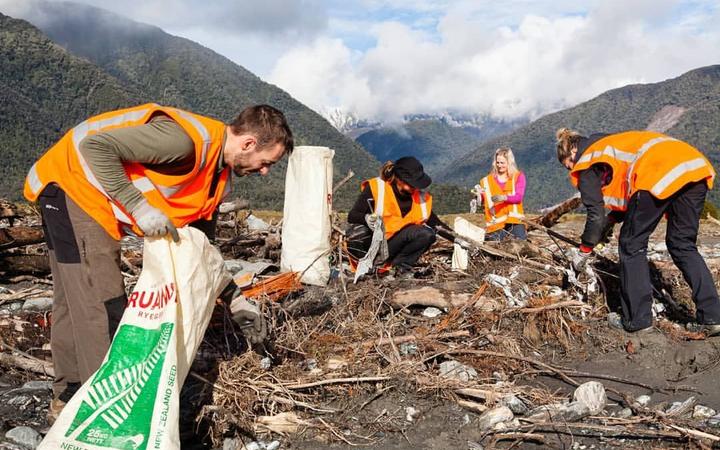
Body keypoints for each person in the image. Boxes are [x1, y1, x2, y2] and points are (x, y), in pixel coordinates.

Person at [23, 103, 294, 423]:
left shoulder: (217, 177)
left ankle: (68, 399)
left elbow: (203, 251)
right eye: (267, 163)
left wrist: (236, 301)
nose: (265, 171)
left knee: (73, 302)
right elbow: (94, 146)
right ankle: (105, 417)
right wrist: (138, 207)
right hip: (72, 186)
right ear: (248, 143)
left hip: (78, 196)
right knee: (104, 306)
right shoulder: (183, 143)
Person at [555, 127, 720, 335]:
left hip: (657, 170)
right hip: (693, 166)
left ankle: (637, 319)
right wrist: (611, 222)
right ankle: (712, 316)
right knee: (682, 244)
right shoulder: (609, 144)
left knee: (631, 244)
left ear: (571, 153)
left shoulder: (586, 161)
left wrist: (584, 251)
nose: (571, 171)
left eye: (567, 166)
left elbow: (595, 215)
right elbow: (627, 203)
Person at [346, 156, 465, 278]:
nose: (415, 187)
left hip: (392, 247)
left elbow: (436, 225)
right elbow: (352, 216)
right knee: (359, 232)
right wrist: (367, 219)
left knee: (426, 234)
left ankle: (399, 268)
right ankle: (368, 268)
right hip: (373, 247)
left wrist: (458, 239)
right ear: (399, 179)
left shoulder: (420, 198)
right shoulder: (377, 188)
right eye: (412, 183)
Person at [477, 147, 527, 241]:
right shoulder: (486, 181)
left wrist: (504, 197)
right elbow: (486, 198)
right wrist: (478, 197)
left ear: (509, 162)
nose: (499, 165)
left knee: (520, 247)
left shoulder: (518, 176)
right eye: (497, 162)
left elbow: (518, 197)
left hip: (514, 221)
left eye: (502, 163)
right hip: (495, 224)